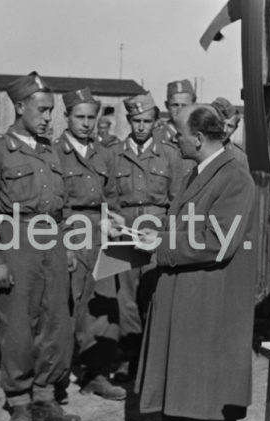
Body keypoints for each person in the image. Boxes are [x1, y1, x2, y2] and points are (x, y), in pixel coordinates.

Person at [129, 104, 256, 421]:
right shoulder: (201, 171)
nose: (173, 137)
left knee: (203, 395)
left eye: (178, 132)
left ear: (198, 138)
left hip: (209, 305)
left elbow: (218, 241)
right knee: (185, 386)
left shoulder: (234, 177)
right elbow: (189, 227)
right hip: (189, 299)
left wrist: (161, 246)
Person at [0, 71, 80, 421]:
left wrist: (69, 246)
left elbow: (62, 208)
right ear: (19, 108)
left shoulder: (51, 150)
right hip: (15, 239)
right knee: (18, 327)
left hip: (53, 240)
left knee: (57, 325)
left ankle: (46, 395)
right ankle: (19, 400)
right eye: (42, 110)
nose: (49, 117)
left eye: (51, 111)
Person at [106, 92, 183, 382]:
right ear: (128, 121)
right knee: (125, 299)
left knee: (153, 295)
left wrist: (166, 234)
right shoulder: (113, 154)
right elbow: (108, 197)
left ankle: (153, 359)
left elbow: (176, 201)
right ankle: (130, 356)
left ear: (156, 121)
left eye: (147, 121)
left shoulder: (170, 154)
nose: (141, 127)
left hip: (155, 232)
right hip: (124, 231)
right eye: (136, 121)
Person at [53, 88, 124, 400]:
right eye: (78, 117)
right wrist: (62, 243)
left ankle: (94, 373)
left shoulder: (103, 152)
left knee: (100, 310)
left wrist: (111, 220)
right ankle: (56, 376)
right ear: (66, 117)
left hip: (100, 237)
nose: (85, 123)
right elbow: (51, 205)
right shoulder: (54, 153)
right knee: (64, 308)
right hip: (68, 235)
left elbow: (111, 196)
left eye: (90, 118)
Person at [210, 97, 249, 170]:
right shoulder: (192, 148)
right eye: (221, 123)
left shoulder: (239, 157)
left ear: (235, 129)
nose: (224, 130)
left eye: (230, 126)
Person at [153, 79, 196, 144]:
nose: (179, 110)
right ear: (167, 105)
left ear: (193, 105)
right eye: (175, 105)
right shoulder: (155, 136)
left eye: (184, 105)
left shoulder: (200, 135)